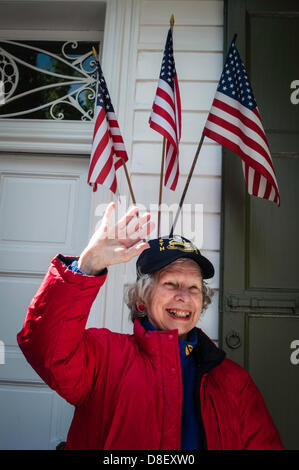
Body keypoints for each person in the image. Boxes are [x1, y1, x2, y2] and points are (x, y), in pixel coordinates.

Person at [17, 203, 284, 450]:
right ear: (142, 299)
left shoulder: (233, 380)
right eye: (170, 284)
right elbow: (46, 348)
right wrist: (86, 267)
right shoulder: (104, 357)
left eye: (193, 287)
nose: (184, 295)